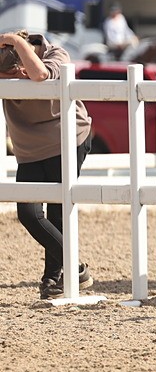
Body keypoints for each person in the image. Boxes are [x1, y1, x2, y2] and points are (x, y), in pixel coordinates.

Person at [0, 30, 94, 300]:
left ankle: (51, 280)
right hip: (30, 150)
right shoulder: (13, 65)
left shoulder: (57, 54)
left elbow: (40, 74)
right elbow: (29, 73)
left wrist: (17, 43)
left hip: (67, 140)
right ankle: (75, 266)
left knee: (57, 212)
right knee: (28, 213)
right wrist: (15, 74)